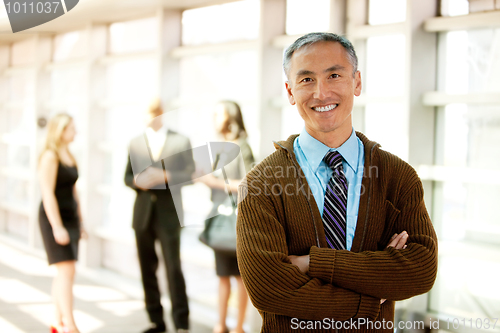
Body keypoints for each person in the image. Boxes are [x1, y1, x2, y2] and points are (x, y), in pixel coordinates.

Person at [236, 32, 438, 332]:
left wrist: (312, 263)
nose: (321, 93)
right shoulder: (261, 183)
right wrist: (370, 301)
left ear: (356, 82)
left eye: (334, 75)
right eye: (306, 80)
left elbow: (419, 271)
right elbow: (270, 289)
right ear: (290, 91)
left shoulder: (398, 177)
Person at [124, 99, 194, 333]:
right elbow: (127, 176)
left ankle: (181, 324)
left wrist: (165, 176)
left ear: (160, 113)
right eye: (144, 114)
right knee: (147, 268)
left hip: (169, 214)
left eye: (151, 113)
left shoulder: (180, 140)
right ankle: (156, 321)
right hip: (143, 214)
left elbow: (190, 173)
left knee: (173, 268)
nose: (147, 119)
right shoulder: (135, 142)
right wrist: (138, 182)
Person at [195, 101, 254, 333]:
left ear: (230, 117)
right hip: (221, 220)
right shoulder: (219, 149)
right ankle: (220, 325)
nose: (214, 117)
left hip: (238, 223)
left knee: (240, 279)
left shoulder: (242, 147)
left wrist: (215, 182)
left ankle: (239, 327)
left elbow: (250, 185)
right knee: (222, 276)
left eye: (218, 113)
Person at [38, 113, 86, 333]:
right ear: (60, 131)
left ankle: (57, 322)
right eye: (72, 129)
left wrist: (81, 222)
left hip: (70, 217)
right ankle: (71, 325)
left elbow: (74, 191)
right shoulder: (50, 156)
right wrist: (57, 226)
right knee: (67, 271)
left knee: (64, 272)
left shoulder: (69, 154)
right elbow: (47, 193)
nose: (75, 132)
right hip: (54, 218)